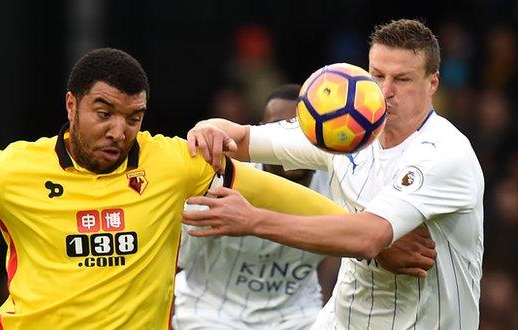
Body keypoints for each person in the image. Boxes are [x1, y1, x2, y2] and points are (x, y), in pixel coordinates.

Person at [0, 48, 353, 330]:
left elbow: (282, 196)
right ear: (71, 104)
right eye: (104, 112)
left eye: (133, 117)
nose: (119, 130)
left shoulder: (174, 163)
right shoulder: (10, 170)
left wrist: (372, 234)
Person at [184, 18, 483, 329]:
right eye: (377, 75)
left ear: (432, 83)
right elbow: (242, 138)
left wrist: (252, 220)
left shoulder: (444, 153)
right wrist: (208, 128)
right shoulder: (346, 131)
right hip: (343, 321)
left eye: (403, 79)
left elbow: (369, 237)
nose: (386, 91)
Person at [174, 84, 436, 330]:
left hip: (297, 319)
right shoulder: (219, 182)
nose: (291, 138)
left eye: (299, 129)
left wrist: (383, 244)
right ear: (264, 132)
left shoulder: (343, 183)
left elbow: (353, 247)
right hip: (210, 315)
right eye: (279, 127)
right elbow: (175, 259)